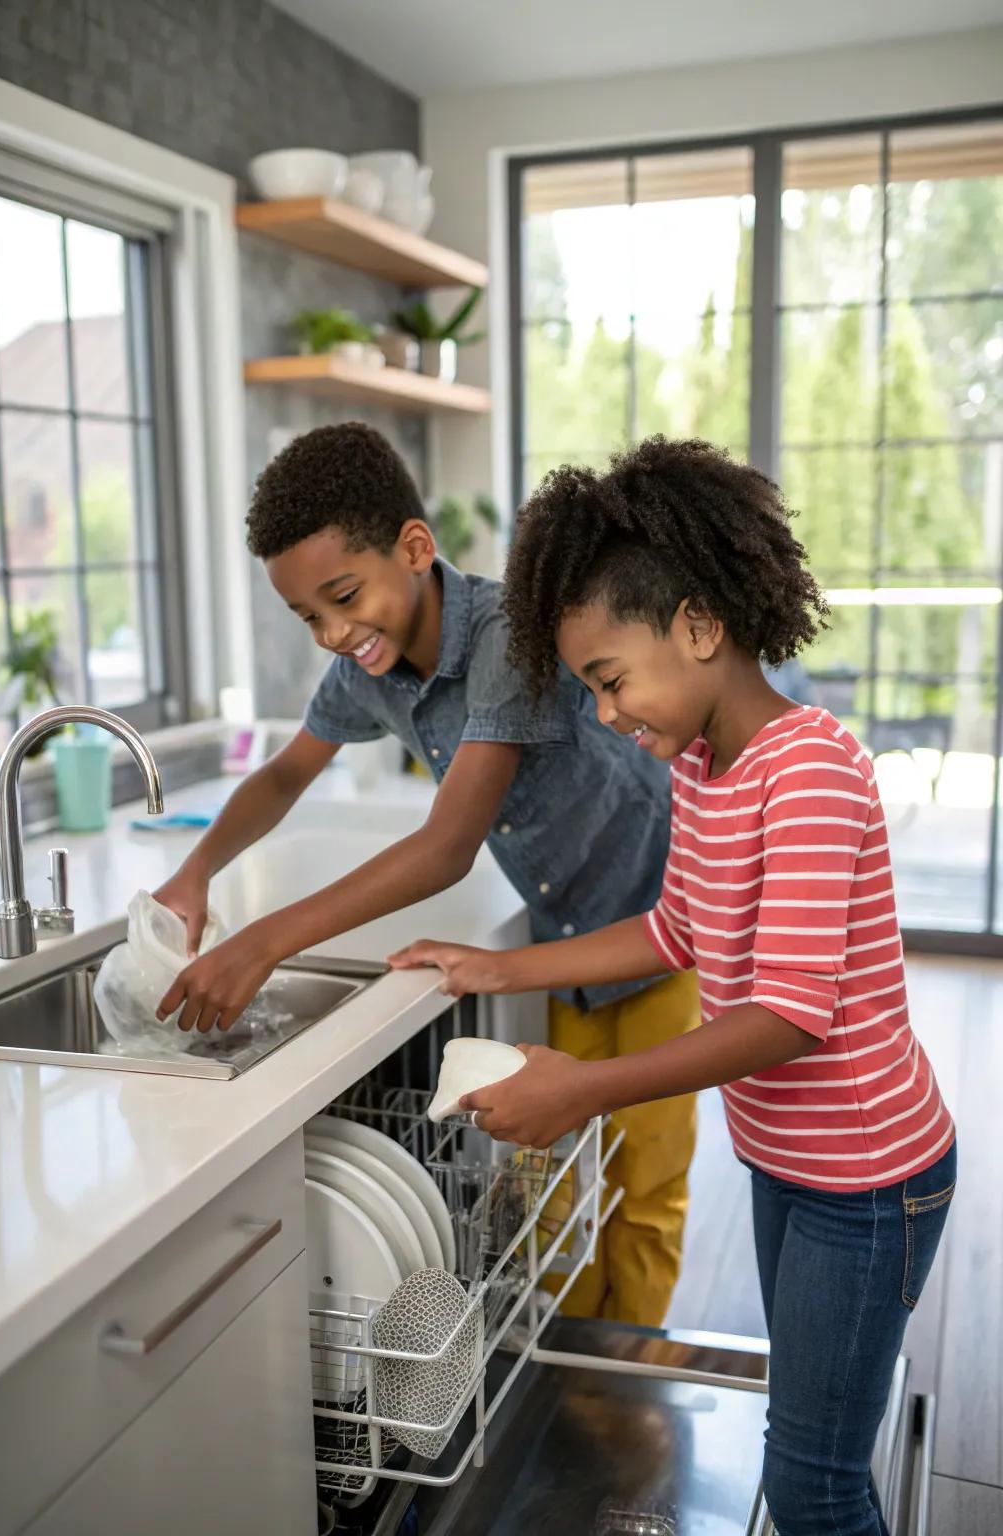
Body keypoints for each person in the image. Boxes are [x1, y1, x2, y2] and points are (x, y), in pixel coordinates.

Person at [389, 437, 956, 1536]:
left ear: (698, 625)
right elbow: (674, 928)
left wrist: (587, 1089)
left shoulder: (812, 770)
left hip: (871, 1183)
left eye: (610, 680)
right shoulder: (704, 766)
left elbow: (791, 1016)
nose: (604, 714)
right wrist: (501, 968)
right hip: (792, 1166)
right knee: (817, 1439)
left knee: (809, 1482)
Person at [153, 421, 698, 1328]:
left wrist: (264, 941)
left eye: (342, 595)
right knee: (561, 1176)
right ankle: (575, 1370)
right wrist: (196, 870)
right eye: (307, 616)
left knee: (645, 1182)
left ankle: (630, 1372)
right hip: (564, 939)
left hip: (658, 923)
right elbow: (288, 771)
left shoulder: (503, 635)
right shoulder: (367, 667)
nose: (333, 632)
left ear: (414, 547)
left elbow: (447, 846)